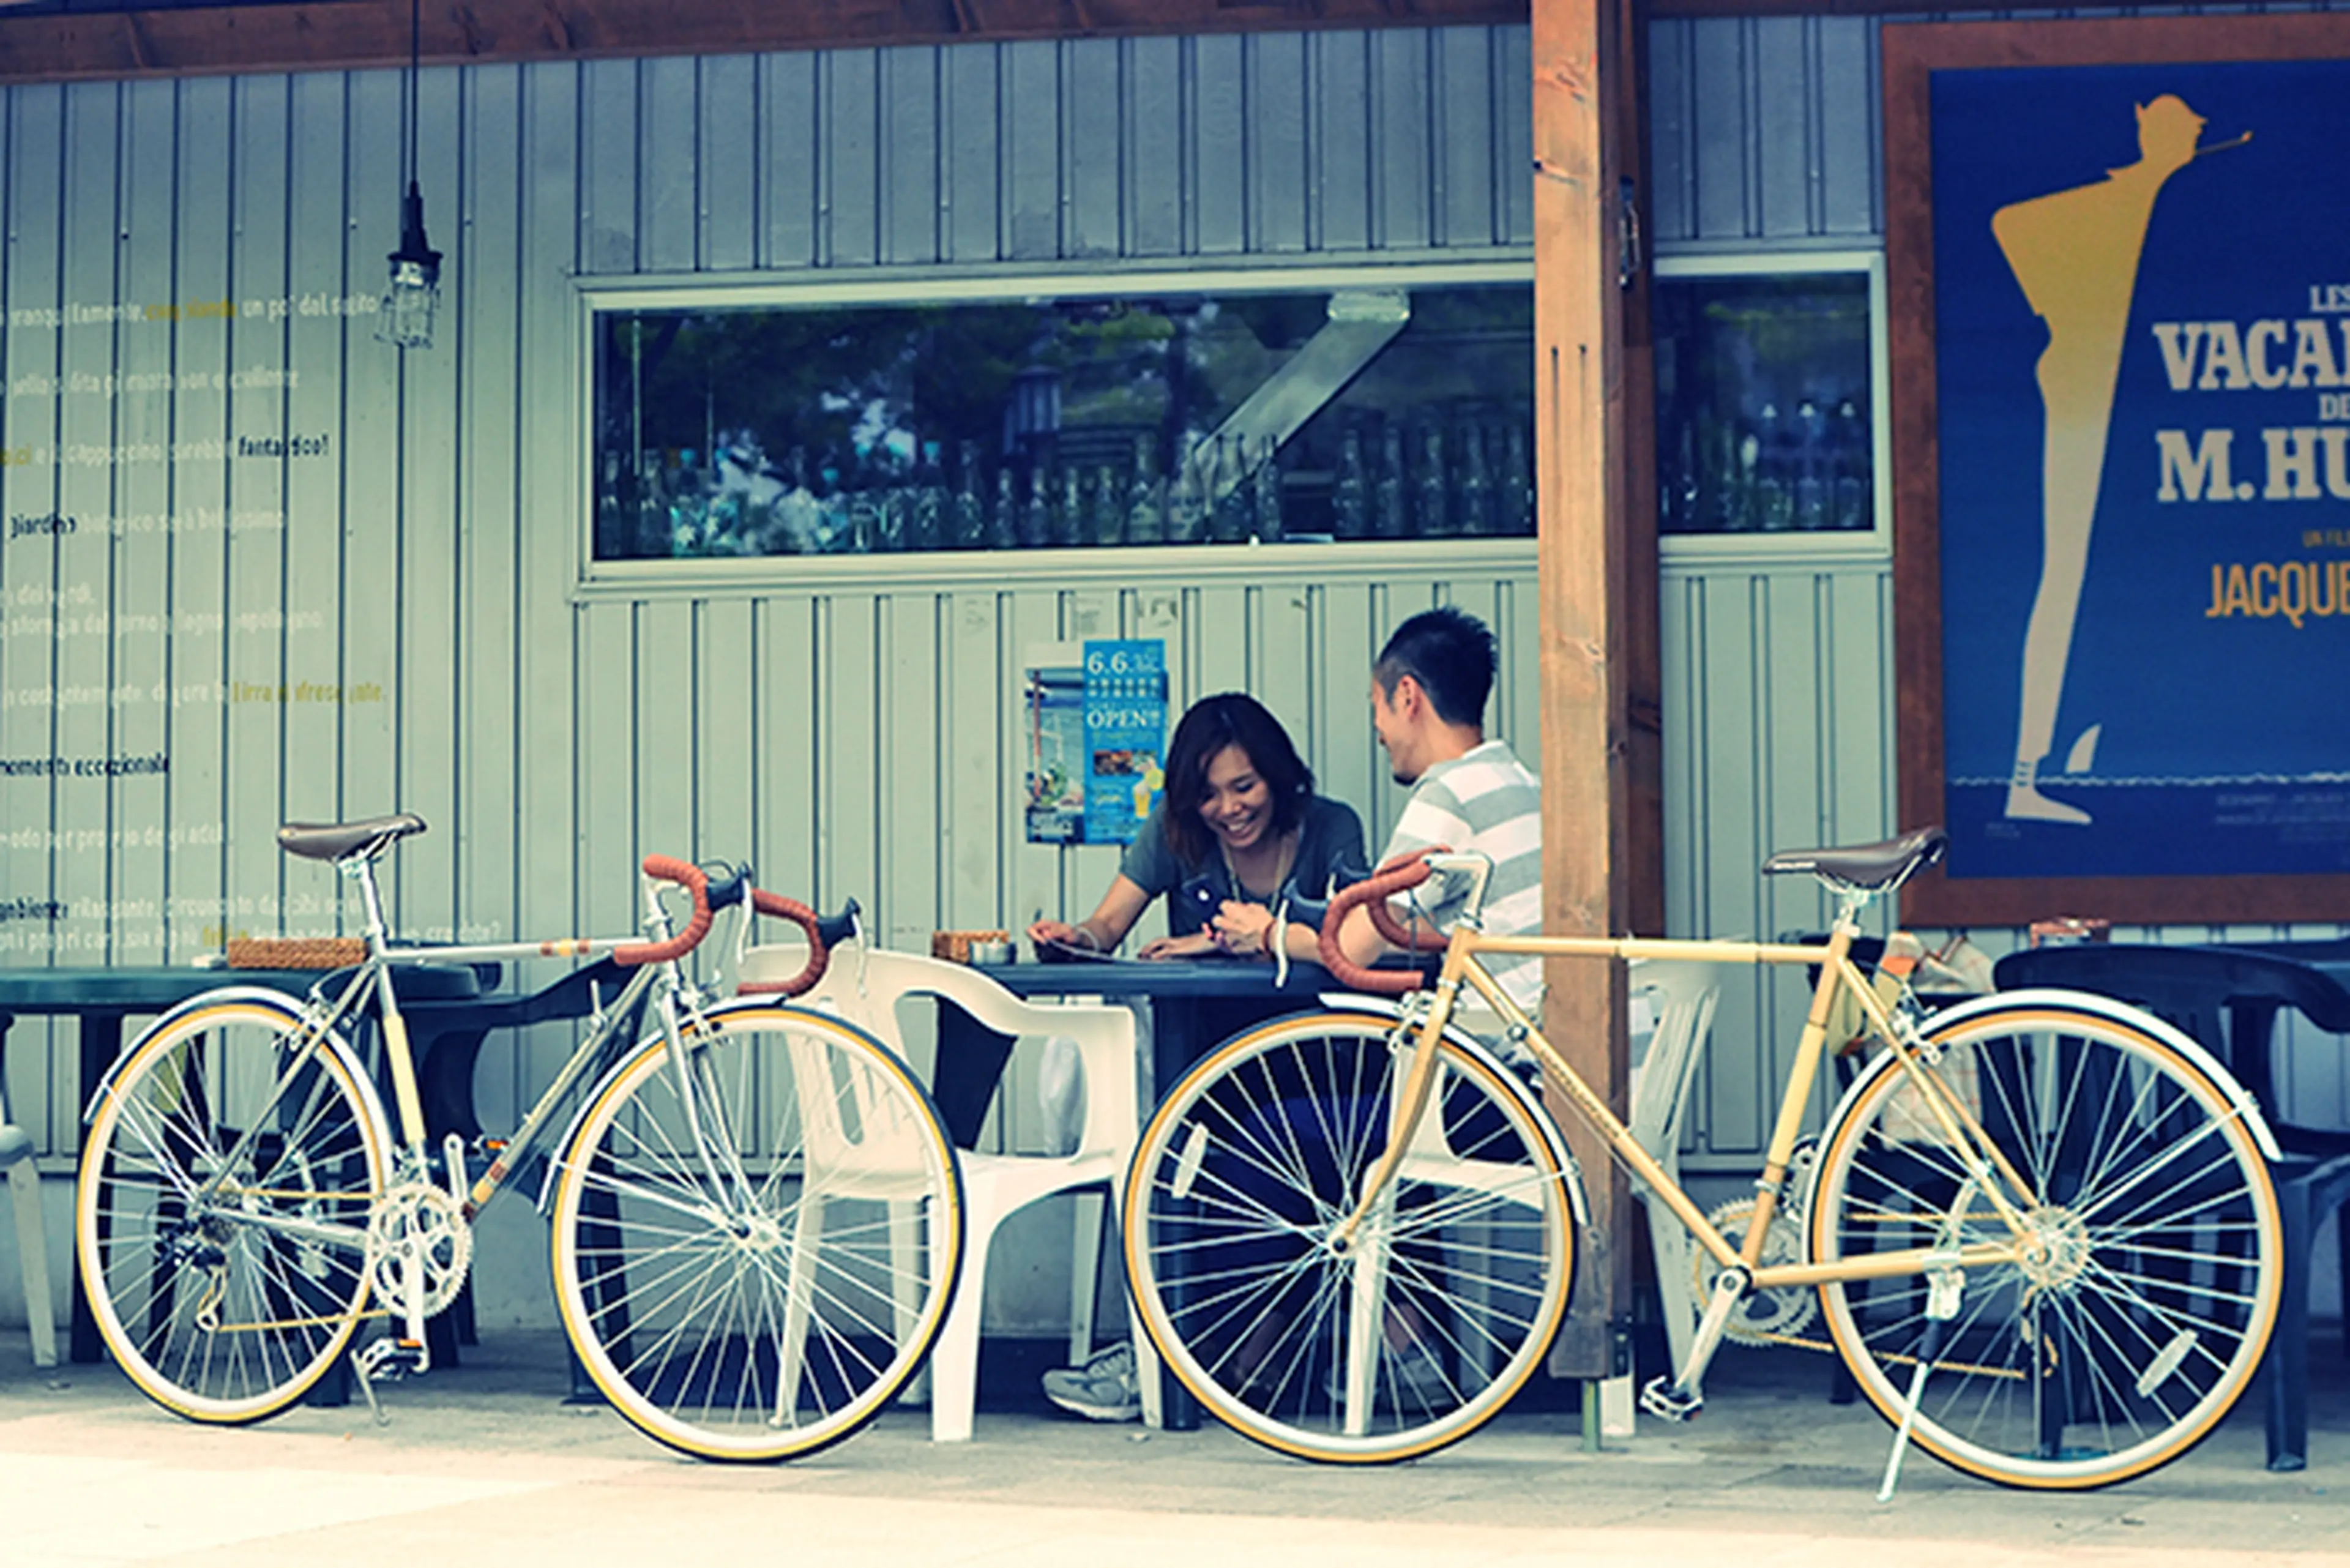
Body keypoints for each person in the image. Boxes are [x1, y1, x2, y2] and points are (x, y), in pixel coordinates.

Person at [1027, 692, 1365, 968]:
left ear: (1277, 776)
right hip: (1199, 1038)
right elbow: (1109, 925)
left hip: (1311, 1035)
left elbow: (1361, 941)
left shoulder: (1332, 827)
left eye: (1245, 787)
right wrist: (1076, 940)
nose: (1230, 808)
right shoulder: (1172, 823)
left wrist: (1213, 943)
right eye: (1207, 796)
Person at [1332, 604, 1544, 1023]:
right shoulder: (1521, 781)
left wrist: (1271, 935)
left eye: (1376, 705)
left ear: (1408, 696)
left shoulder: (1451, 791)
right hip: (1593, 1041)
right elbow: (1401, 928)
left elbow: (1351, 947)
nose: (1377, 729)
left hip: (1520, 1059)